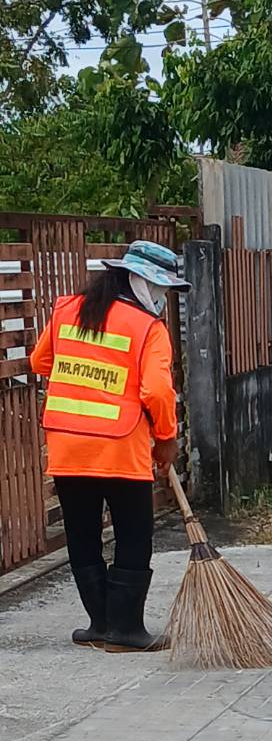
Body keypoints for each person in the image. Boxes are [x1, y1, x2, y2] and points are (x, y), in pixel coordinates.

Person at [29, 240, 189, 651]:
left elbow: (40, 362)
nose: (161, 298)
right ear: (140, 282)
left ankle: (100, 625)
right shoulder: (149, 329)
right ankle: (126, 630)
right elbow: (157, 392)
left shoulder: (68, 310)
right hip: (120, 449)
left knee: (82, 536)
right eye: (161, 289)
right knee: (134, 536)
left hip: (67, 448)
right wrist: (167, 440)